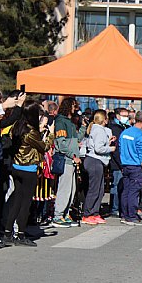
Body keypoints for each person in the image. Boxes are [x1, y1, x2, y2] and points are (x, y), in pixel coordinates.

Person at [3, 101, 53, 247]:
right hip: (28, 168)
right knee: (25, 203)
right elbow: (44, 147)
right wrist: (49, 134)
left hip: (17, 166)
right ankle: (21, 234)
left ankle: (7, 232)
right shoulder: (31, 131)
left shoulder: (16, 126)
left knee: (17, 201)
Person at [52, 98, 86, 228]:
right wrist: (72, 155)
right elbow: (61, 143)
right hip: (66, 159)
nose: (75, 108)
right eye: (73, 106)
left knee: (71, 190)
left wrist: (83, 127)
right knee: (65, 189)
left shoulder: (69, 122)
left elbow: (76, 139)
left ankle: (64, 214)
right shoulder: (61, 121)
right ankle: (58, 215)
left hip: (71, 160)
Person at [82, 110, 115, 225]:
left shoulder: (96, 129)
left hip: (95, 161)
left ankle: (95, 212)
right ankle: (87, 214)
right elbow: (98, 149)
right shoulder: (99, 130)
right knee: (94, 189)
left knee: (100, 190)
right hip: (95, 161)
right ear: (104, 119)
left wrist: (108, 142)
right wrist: (111, 148)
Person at [119, 111, 142, 226]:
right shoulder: (140, 135)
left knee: (126, 191)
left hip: (125, 165)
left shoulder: (125, 132)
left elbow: (120, 148)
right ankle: (131, 216)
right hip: (135, 166)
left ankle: (125, 215)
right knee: (133, 192)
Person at [108, 108, 130, 217]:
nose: (126, 117)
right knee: (116, 185)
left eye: (127, 115)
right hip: (117, 163)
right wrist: (121, 164)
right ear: (117, 116)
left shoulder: (126, 127)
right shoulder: (114, 128)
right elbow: (115, 149)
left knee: (123, 185)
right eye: (124, 115)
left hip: (125, 161)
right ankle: (114, 208)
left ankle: (120, 207)